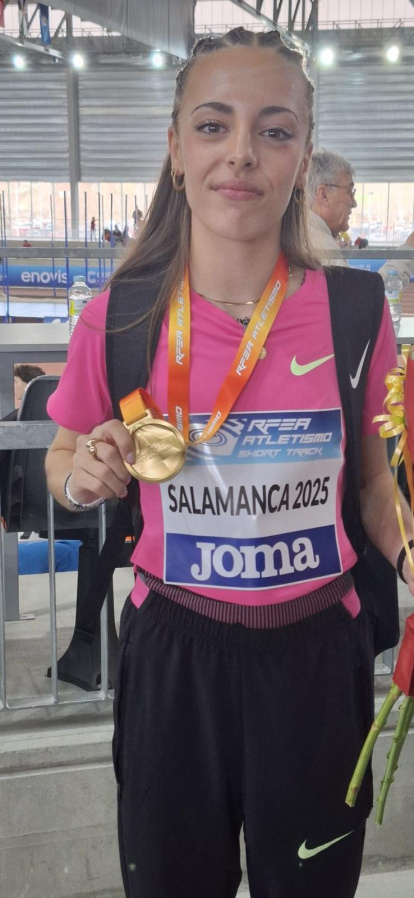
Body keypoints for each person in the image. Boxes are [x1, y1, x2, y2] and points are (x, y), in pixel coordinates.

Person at [45, 28, 414, 898]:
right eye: (214, 126)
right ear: (177, 150)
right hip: (175, 656)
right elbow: (64, 454)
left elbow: (373, 485)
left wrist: (409, 553)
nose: (242, 153)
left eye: (274, 131)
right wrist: (83, 472)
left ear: (302, 158)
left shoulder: (357, 310)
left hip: (317, 657)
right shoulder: (120, 315)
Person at [307, 148, 414, 283]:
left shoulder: (304, 236)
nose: (354, 203)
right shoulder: (321, 248)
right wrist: (409, 248)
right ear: (324, 195)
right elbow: (366, 295)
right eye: (349, 191)